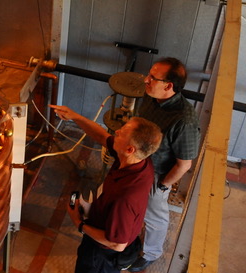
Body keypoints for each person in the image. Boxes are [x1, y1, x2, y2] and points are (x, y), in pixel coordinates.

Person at [48, 107, 163, 273]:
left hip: (101, 255)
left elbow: (118, 244)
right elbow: (102, 136)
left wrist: (79, 224)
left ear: (130, 149)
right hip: (104, 232)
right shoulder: (139, 161)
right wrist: (75, 116)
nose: (116, 131)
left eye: (121, 133)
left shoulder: (125, 197)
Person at [127, 57, 200, 272]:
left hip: (155, 174)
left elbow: (184, 164)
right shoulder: (150, 97)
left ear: (168, 86)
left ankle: (151, 253)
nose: (146, 80)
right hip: (136, 162)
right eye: (148, 74)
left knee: (154, 216)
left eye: (152, 78)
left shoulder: (184, 120)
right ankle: (127, 237)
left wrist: (162, 186)